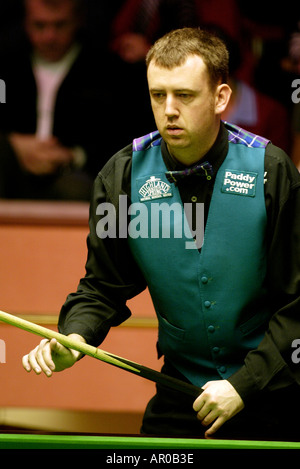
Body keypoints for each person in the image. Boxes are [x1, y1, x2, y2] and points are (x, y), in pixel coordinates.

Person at [22, 28, 300, 441]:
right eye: (158, 95)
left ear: (221, 98)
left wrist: (244, 385)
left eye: (184, 95)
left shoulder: (271, 172)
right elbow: (103, 285)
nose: (169, 109)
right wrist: (74, 337)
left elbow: (296, 300)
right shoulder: (123, 177)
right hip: (183, 391)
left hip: (273, 390)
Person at [0, 0, 113, 200]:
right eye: (40, 25)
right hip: (10, 169)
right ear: (26, 23)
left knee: (80, 190)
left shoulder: (105, 71)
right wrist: (13, 145)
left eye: (60, 25)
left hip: (75, 173)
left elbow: (119, 137)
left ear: (78, 21)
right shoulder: (7, 68)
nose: (49, 36)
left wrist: (74, 156)